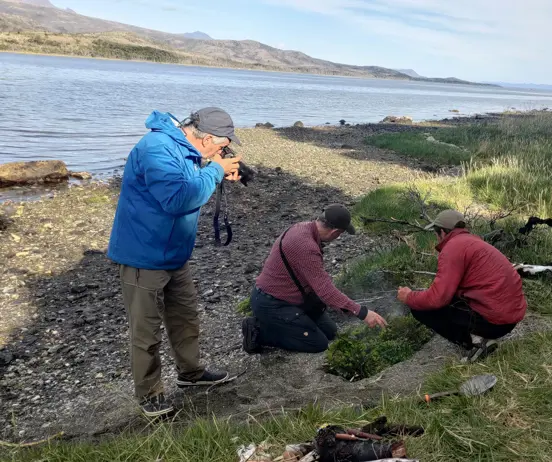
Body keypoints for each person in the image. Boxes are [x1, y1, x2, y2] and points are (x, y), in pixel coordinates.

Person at [108, 107, 245, 418]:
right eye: (223, 144)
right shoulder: (156, 148)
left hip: (173, 255)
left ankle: (191, 374)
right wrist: (215, 171)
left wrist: (213, 169)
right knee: (146, 331)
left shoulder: (187, 149)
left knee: (185, 318)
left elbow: (188, 184)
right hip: (143, 256)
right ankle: (149, 394)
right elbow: (178, 199)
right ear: (207, 136)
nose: (223, 149)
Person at [242, 204, 388, 354]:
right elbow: (325, 291)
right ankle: (258, 331)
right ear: (335, 232)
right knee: (318, 343)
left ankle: (290, 324)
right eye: (341, 234)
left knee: (330, 332)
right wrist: (362, 312)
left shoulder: (303, 227)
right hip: (272, 303)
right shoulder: (306, 247)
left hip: (294, 299)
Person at [396, 210, 527, 362]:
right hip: (511, 318)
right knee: (443, 298)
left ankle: (477, 343)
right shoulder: (473, 241)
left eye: (436, 234)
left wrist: (409, 297)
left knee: (420, 308)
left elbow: (438, 298)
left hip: (496, 322)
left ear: (443, 232)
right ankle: (480, 336)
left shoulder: (452, 247)